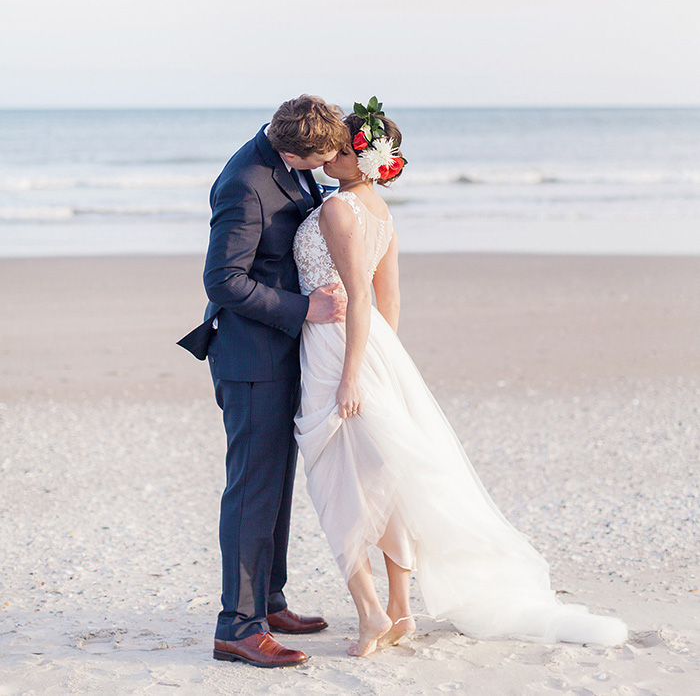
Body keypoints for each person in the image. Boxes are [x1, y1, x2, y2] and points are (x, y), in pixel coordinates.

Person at [292, 97, 629, 657]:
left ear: (363, 156)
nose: (331, 150)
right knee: (385, 476)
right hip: (375, 345)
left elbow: (357, 297)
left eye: (343, 144)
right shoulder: (380, 211)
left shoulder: (337, 210)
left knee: (338, 479)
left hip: (337, 349)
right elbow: (388, 299)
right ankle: (400, 611)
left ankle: (373, 616)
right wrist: (387, 362)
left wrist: (352, 375)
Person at [180, 95, 349, 669]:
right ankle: (238, 626)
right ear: (291, 149)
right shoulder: (245, 184)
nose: (330, 163)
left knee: (276, 483)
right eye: (323, 156)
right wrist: (305, 308)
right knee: (252, 490)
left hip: (281, 353)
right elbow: (223, 281)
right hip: (249, 357)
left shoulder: (288, 162)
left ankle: (269, 601)